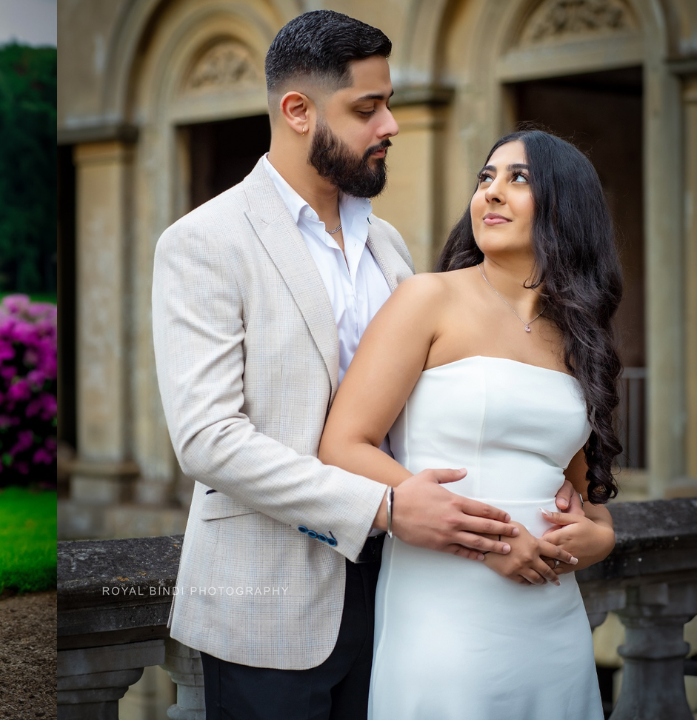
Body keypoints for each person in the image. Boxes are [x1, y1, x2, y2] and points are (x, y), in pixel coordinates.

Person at [150, 11, 579, 719]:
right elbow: (207, 439)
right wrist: (384, 505)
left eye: (389, 104)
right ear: (297, 111)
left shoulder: (392, 248)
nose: (391, 126)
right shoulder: (204, 242)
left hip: (407, 598)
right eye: (367, 109)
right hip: (270, 604)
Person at [317, 129, 619, 718]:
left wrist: (599, 539)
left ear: (568, 206)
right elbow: (341, 446)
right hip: (445, 606)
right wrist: (494, 544)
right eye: (486, 178)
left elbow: (588, 500)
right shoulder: (427, 300)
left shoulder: (582, 339)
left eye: (519, 178)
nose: (492, 193)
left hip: (552, 615)